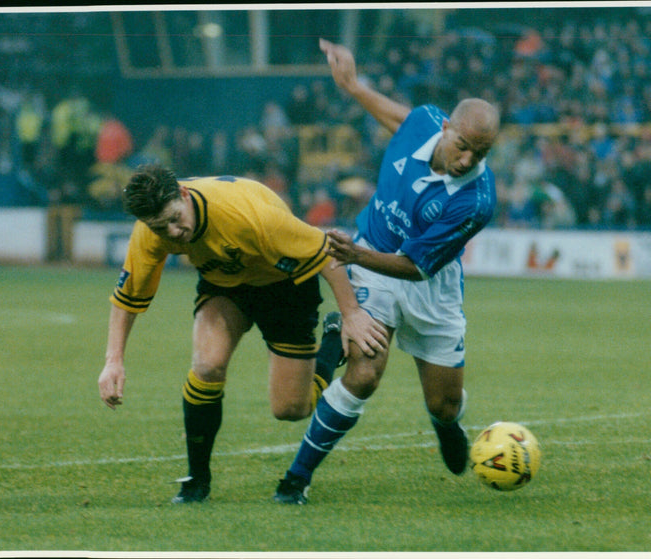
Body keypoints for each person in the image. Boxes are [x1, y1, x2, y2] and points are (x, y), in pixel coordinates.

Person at [273, 39, 500, 504]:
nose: (466, 160)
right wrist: (354, 86)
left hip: (426, 284)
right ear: (446, 128)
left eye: (479, 154)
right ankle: (296, 479)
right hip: (373, 262)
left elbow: (415, 267)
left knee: (444, 403)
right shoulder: (424, 121)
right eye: (462, 146)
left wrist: (351, 256)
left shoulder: (474, 201)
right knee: (364, 375)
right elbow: (399, 118)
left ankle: (447, 426)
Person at [97, 163, 388, 503]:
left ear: (184, 194)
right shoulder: (151, 230)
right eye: (162, 228)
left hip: (285, 285)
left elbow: (326, 251)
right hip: (225, 285)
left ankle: (331, 341)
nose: (173, 233)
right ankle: (196, 482)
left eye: (176, 219)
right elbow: (127, 297)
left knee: (291, 409)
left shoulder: (248, 215)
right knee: (207, 365)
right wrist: (113, 360)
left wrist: (352, 314)